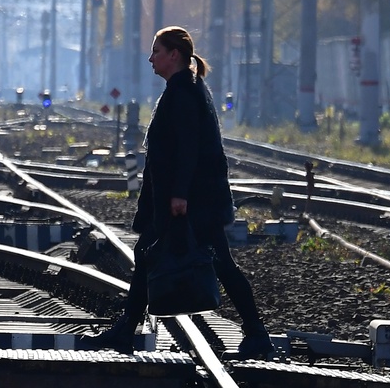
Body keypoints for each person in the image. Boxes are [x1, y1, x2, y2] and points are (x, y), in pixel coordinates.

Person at [91, 26, 274, 355]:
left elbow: (188, 148)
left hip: (193, 203)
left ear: (173, 55)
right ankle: (125, 329)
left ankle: (257, 333)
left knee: (219, 264)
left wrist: (179, 194)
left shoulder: (185, 92)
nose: (151, 58)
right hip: (185, 201)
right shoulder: (182, 88)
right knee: (148, 254)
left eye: (157, 51)